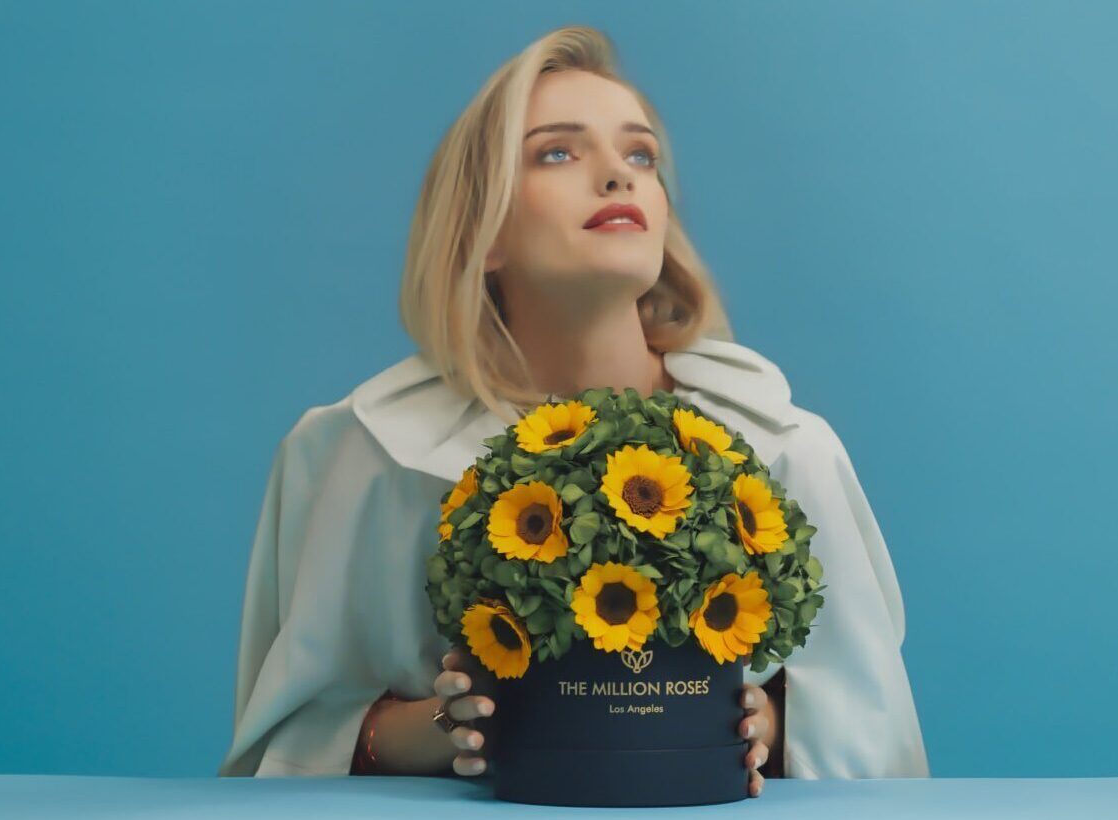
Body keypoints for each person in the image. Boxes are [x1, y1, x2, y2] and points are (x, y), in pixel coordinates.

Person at [216, 26, 929, 792]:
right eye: (558, 152)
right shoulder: (369, 454)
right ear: (482, 230)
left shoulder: (785, 448)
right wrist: (445, 728)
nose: (617, 177)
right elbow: (286, 749)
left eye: (641, 155)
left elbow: (878, 738)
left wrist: (774, 724)